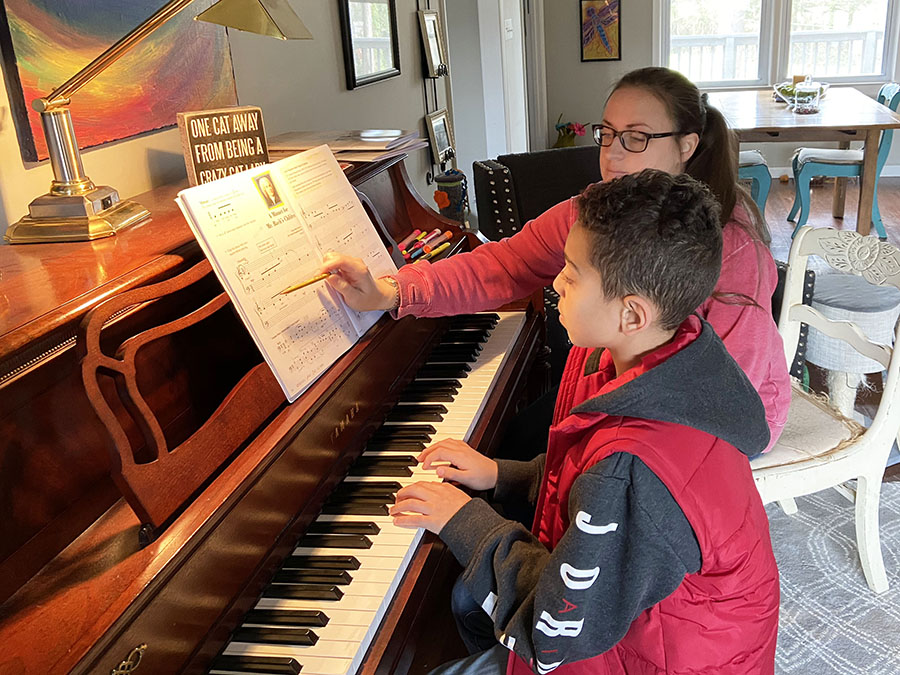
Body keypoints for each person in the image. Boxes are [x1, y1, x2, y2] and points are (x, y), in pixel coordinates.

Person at [389, 170, 780, 675]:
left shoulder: (635, 469)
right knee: (468, 599)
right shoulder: (660, 353)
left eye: (572, 274)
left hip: (646, 659)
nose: (555, 282)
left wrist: (462, 520)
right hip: (630, 626)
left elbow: (550, 631)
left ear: (632, 314)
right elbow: (588, 481)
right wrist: (500, 475)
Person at [320, 67, 790, 452]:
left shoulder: (732, 243)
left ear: (686, 146)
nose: (613, 154)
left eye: (637, 137)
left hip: (711, 416)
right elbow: (505, 265)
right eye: (607, 134)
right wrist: (393, 289)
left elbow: (733, 390)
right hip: (617, 381)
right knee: (511, 442)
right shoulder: (595, 211)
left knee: (556, 469)